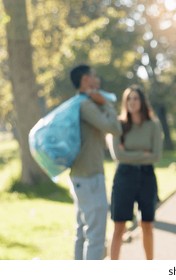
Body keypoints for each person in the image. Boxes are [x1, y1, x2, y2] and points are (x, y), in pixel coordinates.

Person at [69, 64, 122, 260]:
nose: (97, 79)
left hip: (80, 176)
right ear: (85, 80)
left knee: (82, 231)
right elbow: (115, 128)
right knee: (96, 236)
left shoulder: (79, 103)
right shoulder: (86, 105)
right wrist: (106, 104)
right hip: (90, 176)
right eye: (94, 76)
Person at [108, 85, 163, 260]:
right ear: (125, 103)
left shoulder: (153, 125)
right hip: (124, 177)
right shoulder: (119, 125)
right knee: (119, 227)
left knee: (147, 224)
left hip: (147, 176)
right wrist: (143, 153)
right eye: (129, 99)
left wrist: (130, 154)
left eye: (135, 98)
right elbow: (118, 155)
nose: (132, 102)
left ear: (142, 101)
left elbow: (156, 156)